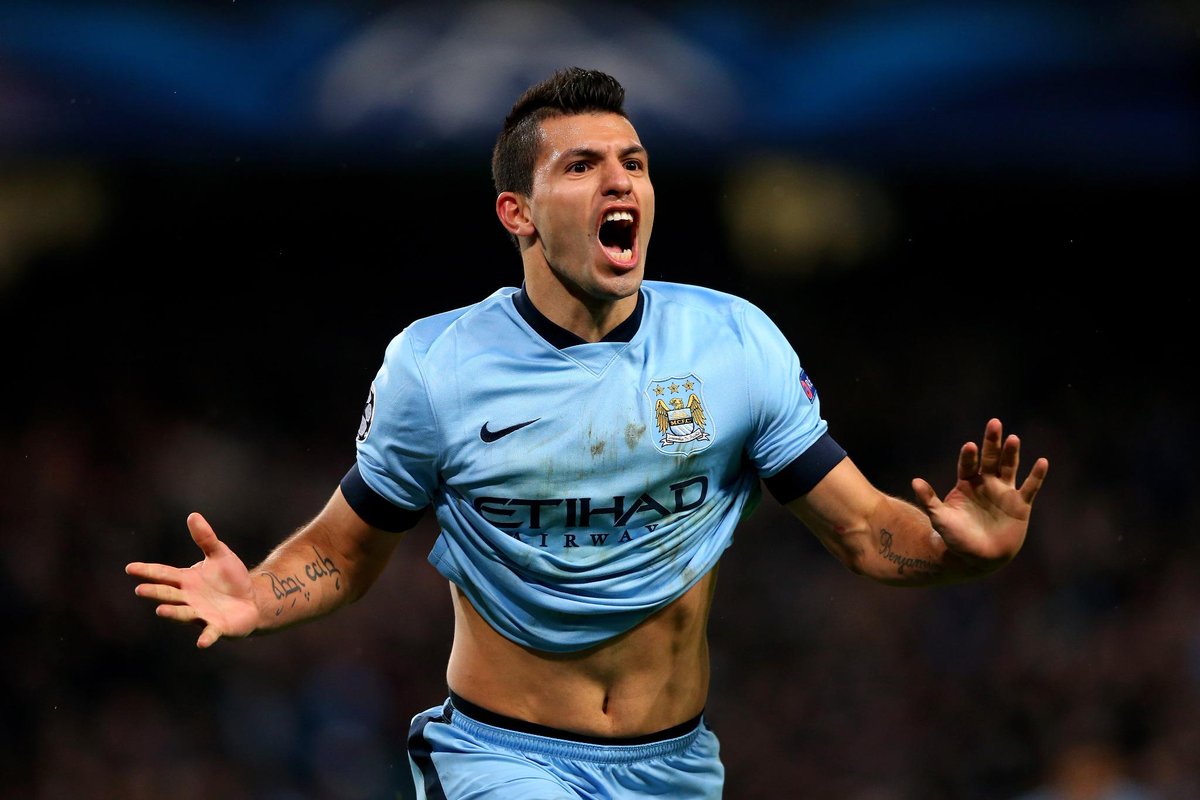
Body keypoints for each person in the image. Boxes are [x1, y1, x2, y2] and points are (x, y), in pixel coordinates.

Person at [126, 66, 1049, 799]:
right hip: (502, 758)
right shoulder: (437, 368)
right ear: (517, 213)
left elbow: (865, 531)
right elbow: (345, 548)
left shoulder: (733, 345)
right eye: (582, 166)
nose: (621, 181)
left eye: (634, 163)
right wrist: (260, 596)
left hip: (675, 764)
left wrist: (955, 554)